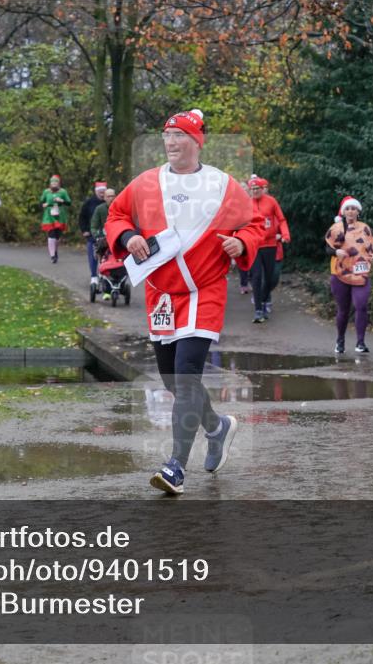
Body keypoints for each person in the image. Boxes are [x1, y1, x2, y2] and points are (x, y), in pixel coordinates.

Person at [105, 108, 265, 496]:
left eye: (179, 136)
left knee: (186, 373)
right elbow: (116, 214)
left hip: (204, 289)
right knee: (171, 378)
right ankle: (217, 427)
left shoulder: (223, 185)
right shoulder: (146, 183)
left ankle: (175, 465)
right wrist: (128, 237)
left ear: (197, 142)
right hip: (161, 293)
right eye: (167, 136)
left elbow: (255, 223)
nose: (171, 143)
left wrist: (241, 242)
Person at [324, 196, 373, 353]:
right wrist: (336, 251)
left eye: (353, 208)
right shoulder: (336, 228)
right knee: (343, 309)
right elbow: (327, 249)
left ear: (358, 211)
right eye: (347, 209)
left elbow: (370, 248)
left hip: (360, 272)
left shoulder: (365, 228)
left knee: (361, 305)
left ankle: (360, 342)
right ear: (343, 212)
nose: (350, 211)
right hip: (339, 272)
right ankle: (340, 339)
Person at [248, 176, 289, 322]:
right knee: (257, 277)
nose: (254, 191)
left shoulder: (271, 201)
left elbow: (281, 219)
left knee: (271, 277)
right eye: (252, 189)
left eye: (257, 189)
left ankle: (264, 301)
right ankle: (258, 309)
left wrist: (285, 234)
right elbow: (240, 223)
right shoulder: (246, 204)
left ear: (262, 189)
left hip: (270, 245)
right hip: (254, 245)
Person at [79, 182, 108, 287]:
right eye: (100, 192)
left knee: (106, 255)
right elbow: (82, 217)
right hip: (92, 234)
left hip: (106, 234)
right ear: (96, 191)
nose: (102, 194)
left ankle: (105, 274)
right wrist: (84, 230)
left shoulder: (108, 203)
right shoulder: (89, 203)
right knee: (93, 256)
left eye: (103, 192)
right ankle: (93, 276)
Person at [90, 188, 117, 300]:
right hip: (103, 241)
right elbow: (94, 226)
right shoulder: (100, 209)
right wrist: (97, 234)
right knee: (102, 256)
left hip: (117, 240)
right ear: (104, 198)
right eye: (108, 196)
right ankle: (104, 282)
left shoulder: (120, 208)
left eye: (113, 196)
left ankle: (117, 282)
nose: (111, 198)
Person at [39, 175, 71, 263]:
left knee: (57, 236)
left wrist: (62, 201)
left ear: (59, 183)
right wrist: (44, 204)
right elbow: (41, 201)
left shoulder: (63, 192)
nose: (54, 184)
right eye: (52, 182)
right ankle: (52, 255)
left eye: (56, 182)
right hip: (49, 216)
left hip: (60, 215)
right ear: (50, 183)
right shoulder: (46, 192)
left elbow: (69, 202)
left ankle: (55, 251)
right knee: (51, 233)